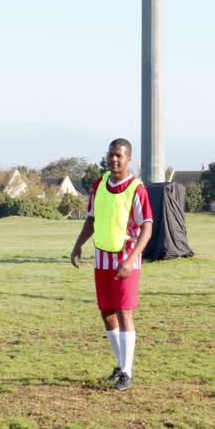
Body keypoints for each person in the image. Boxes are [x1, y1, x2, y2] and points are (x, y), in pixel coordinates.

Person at [70, 138, 153, 391]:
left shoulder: (136, 188)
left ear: (128, 159)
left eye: (119, 155)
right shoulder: (99, 185)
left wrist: (131, 259)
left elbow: (147, 227)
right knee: (107, 313)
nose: (114, 159)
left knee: (124, 312)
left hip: (125, 259)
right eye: (111, 154)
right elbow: (91, 219)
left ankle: (127, 374)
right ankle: (120, 366)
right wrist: (78, 244)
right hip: (102, 258)